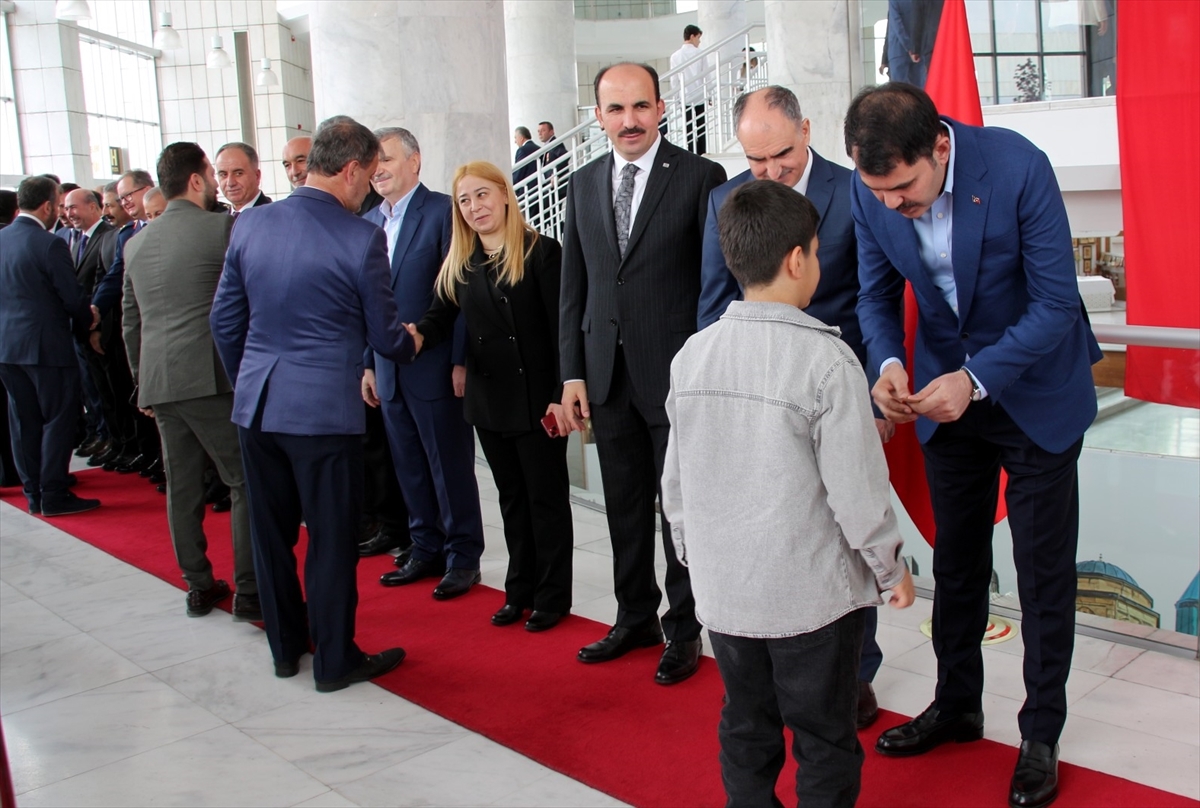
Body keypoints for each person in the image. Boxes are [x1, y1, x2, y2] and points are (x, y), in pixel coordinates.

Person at [845, 83, 1101, 808]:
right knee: (956, 566)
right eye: (879, 191)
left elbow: (1057, 304)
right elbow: (873, 294)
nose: (893, 205)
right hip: (941, 402)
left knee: (1042, 574)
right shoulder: (873, 192)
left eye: (905, 188)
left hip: (1035, 394)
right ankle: (957, 703)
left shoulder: (1018, 167)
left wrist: (977, 378)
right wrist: (890, 365)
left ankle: (1041, 732)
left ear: (942, 147)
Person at [663, 178, 914, 808]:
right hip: (811, 598)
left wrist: (697, 557)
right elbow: (857, 492)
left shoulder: (692, 355)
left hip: (727, 593)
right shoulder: (828, 362)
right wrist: (890, 568)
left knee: (745, 728)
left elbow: (676, 481)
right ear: (799, 259)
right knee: (824, 737)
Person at [697, 85, 888, 728]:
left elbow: (872, 296)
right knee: (776, 528)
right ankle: (771, 659)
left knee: (842, 527)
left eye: (781, 155)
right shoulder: (725, 199)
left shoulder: (853, 188)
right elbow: (713, 304)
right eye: (755, 161)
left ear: (806, 130)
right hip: (758, 401)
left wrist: (871, 396)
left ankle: (856, 672)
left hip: (838, 387)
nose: (771, 172)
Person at [211, 115, 414, 692]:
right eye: (369, 177)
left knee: (269, 534)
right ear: (350, 170)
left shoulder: (252, 227)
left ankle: (284, 650)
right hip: (324, 414)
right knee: (329, 538)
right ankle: (334, 661)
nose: (370, 189)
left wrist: (250, 378)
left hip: (257, 408)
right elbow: (385, 333)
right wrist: (412, 339)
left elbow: (224, 321)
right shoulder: (360, 236)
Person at [559, 62, 727, 685]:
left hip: (676, 376)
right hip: (606, 376)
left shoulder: (701, 177)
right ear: (598, 116)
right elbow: (574, 290)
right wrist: (571, 374)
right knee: (623, 506)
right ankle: (635, 617)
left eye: (639, 106)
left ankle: (684, 629)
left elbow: (716, 286)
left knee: (677, 510)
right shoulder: (581, 184)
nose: (628, 120)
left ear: (660, 108)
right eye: (614, 109)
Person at [415, 160, 574, 632]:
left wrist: (559, 393)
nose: (474, 207)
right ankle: (518, 590)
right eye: (464, 200)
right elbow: (436, 318)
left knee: (545, 501)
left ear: (505, 195)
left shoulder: (543, 253)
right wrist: (410, 337)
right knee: (511, 500)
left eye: (482, 195)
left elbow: (563, 331)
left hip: (538, 399)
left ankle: (551, 596)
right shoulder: (462, 263)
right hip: (489, 399)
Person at [122, 141, 259, 622]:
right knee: (241, 479)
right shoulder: (222, 228)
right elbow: (244, 301)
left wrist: (142, 382)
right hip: (210, 376)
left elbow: (130, 322)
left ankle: (198, 585)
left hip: (160, 382)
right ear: (199, 179)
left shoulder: (135, 244)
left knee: (182, 485)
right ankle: (248, 589)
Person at [363, 127, 485, 600]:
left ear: (415, 161)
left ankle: (462, 555)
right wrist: (367, 364)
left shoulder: (441, 212)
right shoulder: (371, 220)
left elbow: (457, 293)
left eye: (388, 159)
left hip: (434, 366)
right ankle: (425, 546)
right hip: (388, 369)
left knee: (448, 466)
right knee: (409, 465)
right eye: (374, 162)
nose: (379, 169)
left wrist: (460, 360)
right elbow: (364, 302)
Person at [0, 175, 100, 516]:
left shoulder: (1, 239)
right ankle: (54, 493)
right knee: (58, 419)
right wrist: (89, 322)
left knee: (22, 420)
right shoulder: (49, 243)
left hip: (7, 350)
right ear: (46, 206)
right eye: (58, 205)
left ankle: (35, 493)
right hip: (47, 348)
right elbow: (72, 298)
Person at [885, 0, 945, 88]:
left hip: (898, 50)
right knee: (919, 90)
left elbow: (896, 25)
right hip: (919, 50)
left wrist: (909, 47)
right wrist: (915, 48)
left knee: (899, 91)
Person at [669, 24, 708, 155]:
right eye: (698, 38)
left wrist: (676, 99)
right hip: (700, 95)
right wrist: (710, 95)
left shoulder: (675, 56)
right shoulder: (700, 53)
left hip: (685, 97)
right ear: (692, 36)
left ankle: (691, 153)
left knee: (689, 128)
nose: (699, 41)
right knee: (701, 126)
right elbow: (706, 75)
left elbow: (674, 80)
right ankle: (702, 152)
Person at [214, 142, 272, 214]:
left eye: (238, 173)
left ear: (257, 176)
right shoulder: (218, 222)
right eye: (223, 174)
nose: (230, 183)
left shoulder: (276, 216)